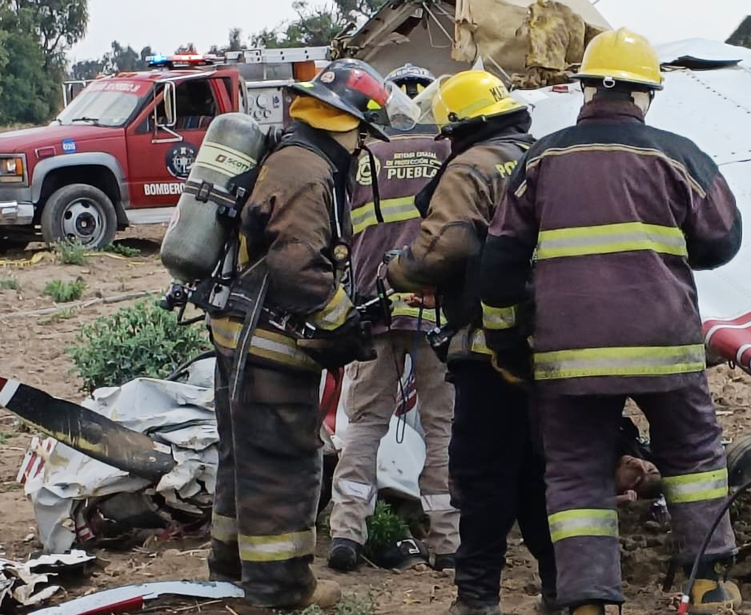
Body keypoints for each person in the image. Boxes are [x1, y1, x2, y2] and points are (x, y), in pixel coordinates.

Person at [479, 27, 744, 615]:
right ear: (645, 94)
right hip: (664, 346)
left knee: (576, 474)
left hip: (568, 354)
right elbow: (724, 240)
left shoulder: (541, 158)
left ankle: (588, 603)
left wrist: (506, 340)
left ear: (586, 89)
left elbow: (498, 262)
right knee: (693, 455)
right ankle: (709, 585)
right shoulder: (678, 155)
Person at [207, 59, 405, 610]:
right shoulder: (308, 172)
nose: (363, 147)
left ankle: (230, 572)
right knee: (283, 466)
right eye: (364, 135)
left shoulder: (292, 156)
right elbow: (296, 267)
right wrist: (344, 320)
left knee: (243, 461)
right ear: (350, 125)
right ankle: (281, 589)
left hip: (242, 333)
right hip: (270, 343)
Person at [385, 70, 558, 615]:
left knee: (481, 478)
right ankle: (563, 592)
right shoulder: (542, 155)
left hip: (490, 353)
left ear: (458, 125)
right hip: (556, 347)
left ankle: (476, 599)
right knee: (540, 476)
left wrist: (398, 270)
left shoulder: (471, 166)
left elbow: (444, 248)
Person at [327, 63, 460, 572]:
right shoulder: (447, 151)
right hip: (433, 310)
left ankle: (346, 533)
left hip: (372, 308)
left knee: (364, 425)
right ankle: (447, 541)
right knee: (442, 427)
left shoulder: (363, 155)